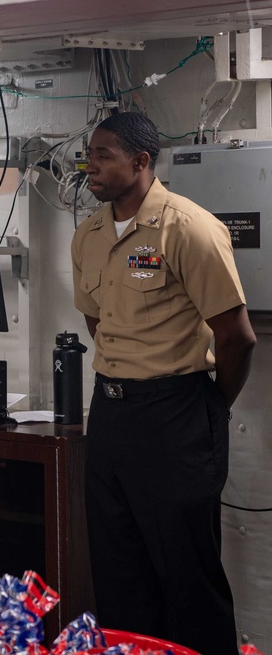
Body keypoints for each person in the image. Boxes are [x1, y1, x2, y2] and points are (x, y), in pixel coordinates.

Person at [71, 113, 256, 654]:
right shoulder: (89, 235)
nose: (91, 166)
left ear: (141, 161)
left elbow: (237, 336)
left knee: (188, 579)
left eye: (103, 155)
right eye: (90, 154)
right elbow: (98, 323)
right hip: (110, 417)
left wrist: (209, 407)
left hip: (176, 415)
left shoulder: (189, 228)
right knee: (118, 573)